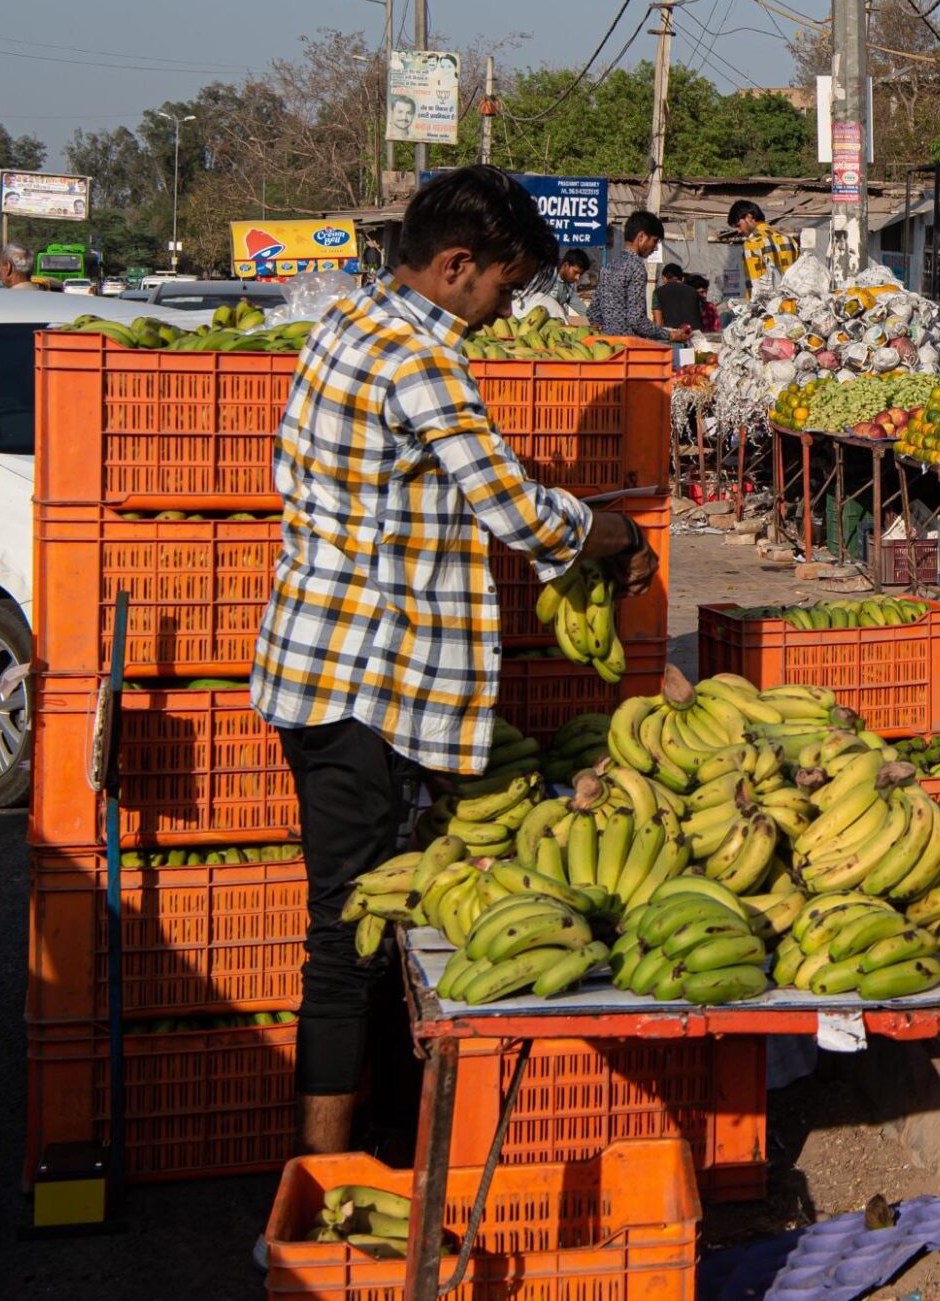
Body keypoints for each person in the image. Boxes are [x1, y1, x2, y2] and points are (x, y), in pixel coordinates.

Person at [252, 165, 656, 1155]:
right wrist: (612, 536)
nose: (506, 307)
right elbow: (514, 509)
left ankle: (387, 1139)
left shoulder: (349, 320)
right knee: (347, 935)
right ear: (456, 264)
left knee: (379, 918)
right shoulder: (418, 356)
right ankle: (322, 1185)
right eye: (505, 287)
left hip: (325, 661)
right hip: (361, 680)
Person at [585, 211, 677, 342]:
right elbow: (636, 319)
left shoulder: (608, 267)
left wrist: (608, 333)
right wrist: (669, 335)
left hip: (607, 345)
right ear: (641, 237)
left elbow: (593, 312)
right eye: (655, 241)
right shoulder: (636, 267)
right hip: (629, 346)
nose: (655, 247)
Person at [728, 200, 799, 299]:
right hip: (791, 306)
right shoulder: (789, 240)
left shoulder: (751, 244)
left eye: (739, 226)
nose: (739, 231)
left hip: (768, 309)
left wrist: (751, 308)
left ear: (749, 217)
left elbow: (754, 284)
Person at [651, 262, 706, 338]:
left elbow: (658, 323)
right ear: (682, 278)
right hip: (693, 334)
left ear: (664, 278)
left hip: (672, 335)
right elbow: (700, 313)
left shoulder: (657, 292)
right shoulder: (693, 291)